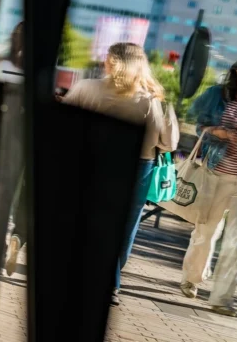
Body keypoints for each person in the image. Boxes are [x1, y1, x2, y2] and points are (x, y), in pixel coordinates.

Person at [63, 43, 177, 305]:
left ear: (112, 62)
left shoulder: (86, 88)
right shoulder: (149, 101)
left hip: (92, 160)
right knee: (125, 229)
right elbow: (166, 144)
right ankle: (110, 282)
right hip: (138, 168)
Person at [179, 51, 237, 316]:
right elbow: (195, 120)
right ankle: (192, 278)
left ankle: (221, 299)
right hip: (216, 174)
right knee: (206, 231)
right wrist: (213, 131)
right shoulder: (216, 95)